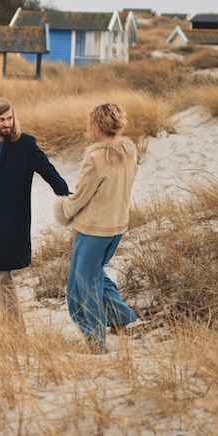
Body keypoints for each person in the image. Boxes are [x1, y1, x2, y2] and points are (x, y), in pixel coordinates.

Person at [0, 98, 69, 331]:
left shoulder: (24, 144)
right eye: (1, 120)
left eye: (9, 119)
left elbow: (46, 168)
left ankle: (13, 331)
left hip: (11, 220)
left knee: (0, 275)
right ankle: (8, 328)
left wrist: (65, 192)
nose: (7, 124)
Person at [54, 103, 139, 353]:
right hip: (117, 225)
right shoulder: (129, 150)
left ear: (97, 125)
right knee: (94, 274)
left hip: (94, 230)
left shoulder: (97, 158)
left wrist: (64, 210)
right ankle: (121, 318)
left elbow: (80, 196)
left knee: (81, 284)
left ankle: (95, 339)